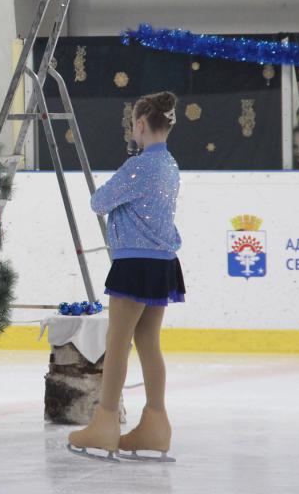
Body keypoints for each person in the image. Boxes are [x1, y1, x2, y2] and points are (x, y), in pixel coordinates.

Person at [68, 91, 185, 460]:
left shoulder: (140, 166)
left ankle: (104, 423)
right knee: (149, 341)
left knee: (117, 341)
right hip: (162, 261)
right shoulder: (169, 164)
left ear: (140, 124)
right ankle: (155, 422)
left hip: (135, 263)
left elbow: (98, 202)